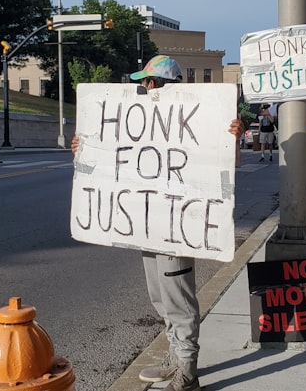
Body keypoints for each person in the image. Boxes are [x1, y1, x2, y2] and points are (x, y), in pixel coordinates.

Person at [70, 55, 243, 391]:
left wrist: (231, 136)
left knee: (178, 300)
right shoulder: (139, 118)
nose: (143, 88)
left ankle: (187, 371)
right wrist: (84, 148)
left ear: (157, 85)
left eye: (147, 82)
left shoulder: (200, 117)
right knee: (160, 298)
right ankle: (176, 355)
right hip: (148, 227)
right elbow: (110, 162)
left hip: (178, 227)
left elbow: (225, 165)